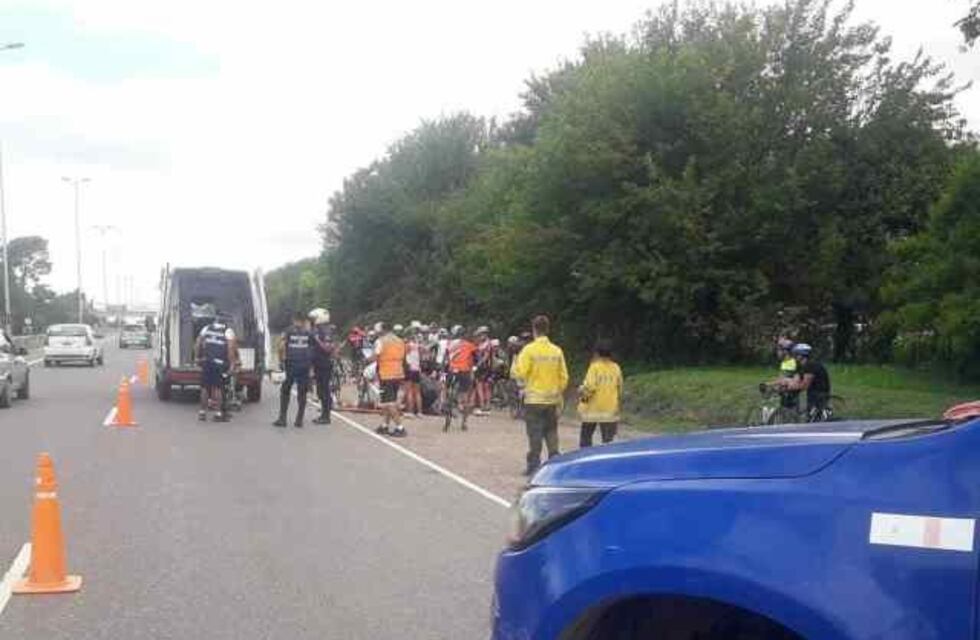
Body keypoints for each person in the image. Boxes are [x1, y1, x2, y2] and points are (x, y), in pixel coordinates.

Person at [512, 315, 569, 475]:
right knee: (551, 431)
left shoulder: (529, 350)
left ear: (534, 330)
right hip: (552, 399)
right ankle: (554, 462)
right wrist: (558, 392)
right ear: (548, 329)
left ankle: (534, 465)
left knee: (534, 432)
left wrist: (516, 362)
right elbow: (564, 376)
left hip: (534, 399)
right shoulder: (557, 351)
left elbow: (520, 373)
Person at [577, 340, 623, 447]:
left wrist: (581, 391)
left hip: (592, 410)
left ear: (597, 353)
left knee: (586, 440)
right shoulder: (616, 368)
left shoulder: (594, 367)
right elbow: (619, 388)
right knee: (608, 444)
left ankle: (586, 460)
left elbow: (590, 387)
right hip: (610, 411)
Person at [195, 310, 237, 422]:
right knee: (218, 387)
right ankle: (218, 413)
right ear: (225, 321)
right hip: (219, 363)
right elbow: (230, 349)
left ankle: (202, 412)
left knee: (205, 387)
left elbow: (198, 342)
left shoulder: (206, 328)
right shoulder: (228, 331)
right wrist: (232, 364)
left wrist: (197, 357)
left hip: (207, 361)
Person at [274, 312, 314, 428]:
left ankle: (282, 419)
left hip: (291, 365)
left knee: (285, 390)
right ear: (303, 321)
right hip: (304, 366)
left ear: (294, 319)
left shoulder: (288, 331)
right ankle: (299, 420)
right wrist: (310, 366)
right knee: (302, 393)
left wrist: (281, 361)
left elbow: (281, 346)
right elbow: (311, 349)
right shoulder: (308, 333)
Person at [372, 322, 407, 437]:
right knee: (389, 401)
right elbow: (403, 357)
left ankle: (400, 427)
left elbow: (375, 356)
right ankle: (384, 426)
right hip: (398, 373)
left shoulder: (380, 341)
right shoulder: (399, 340)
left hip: (386, 374)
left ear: (382, 330)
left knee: (389, 402)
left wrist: (366, 359)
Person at [781, 343, 832, 418]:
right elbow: (796, 379)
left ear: (802, 355)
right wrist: (786, 383)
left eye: (796, 354)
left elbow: (805, 385)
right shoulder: (802, 365)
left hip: (819, 392)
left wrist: (789, 387)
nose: (794, 357)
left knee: (812, 417)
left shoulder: (810, 365)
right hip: (812, 392)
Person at [445, 325, 478, 431]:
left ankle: (448, 402)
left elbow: (446, 358)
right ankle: (464, 422)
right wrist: (474, 366)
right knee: (465, 395)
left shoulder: (449, 344)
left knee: (447, 389)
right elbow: (476, 357)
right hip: (464, 371)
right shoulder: (469, 345)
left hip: (452, 370)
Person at [310, 308, 335, 425]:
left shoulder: (325, 330)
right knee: (320, 390)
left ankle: (326, 416)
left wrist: (316, 339)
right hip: (318, 363)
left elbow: (328, 348)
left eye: (314, 318)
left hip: (324, 363)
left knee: (324, 390)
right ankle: (324, 413)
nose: (312, 320)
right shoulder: (319, 329)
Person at [403, 327, 423, 418]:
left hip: (409, 369)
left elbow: (404, 357)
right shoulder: (417, 345)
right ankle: (419, 412)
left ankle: (410, 411)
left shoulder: (407, 345)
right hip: (417, 369)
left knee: (409, 391)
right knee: (417, 392)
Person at [473, 326, 493, 414]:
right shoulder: (482, 343)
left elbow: (486, 356)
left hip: (484, 367)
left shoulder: (487, 343)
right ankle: (486, 405)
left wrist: (478, 364)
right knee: (484, 386)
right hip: (484, 366)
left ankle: (483, 405)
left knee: (481, 386)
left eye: (482, 334)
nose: (480, 336)